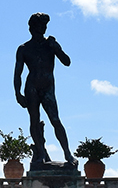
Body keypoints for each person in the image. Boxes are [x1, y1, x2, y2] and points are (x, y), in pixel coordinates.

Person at [14, 12, 74, 169]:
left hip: (47, 86)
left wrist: (57, 49)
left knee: (55, 120)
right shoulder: (24, 48)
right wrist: (18, 93)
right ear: (32, 27)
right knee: (34, 120)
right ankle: (40, 153)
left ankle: (67, 154)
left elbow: (67, 62)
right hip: (32, 87)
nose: (44, 28)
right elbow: (18, 73)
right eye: (40, 25)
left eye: (45, 25)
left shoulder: (50, 44)